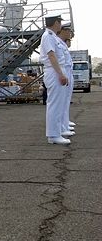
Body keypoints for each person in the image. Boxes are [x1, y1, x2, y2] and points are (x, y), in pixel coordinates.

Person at [39, 15, 70, 145]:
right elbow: (51, 56)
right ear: (55, 23)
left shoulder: (51, 36)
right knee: (55, 104)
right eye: (59, 23)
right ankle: (53, 135)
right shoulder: (48, 36)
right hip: (54, 71)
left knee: (58, 104)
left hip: (57, 70)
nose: (60, 25)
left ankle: (57, 132)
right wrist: (60, 74)